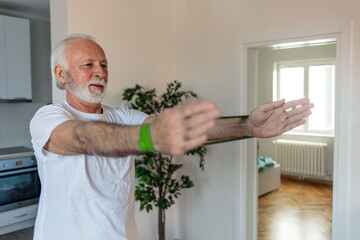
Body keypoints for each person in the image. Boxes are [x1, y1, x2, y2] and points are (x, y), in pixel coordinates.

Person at [30, 34, 313, 240]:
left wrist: (247, 126)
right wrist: (147, 138)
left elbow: (173, 129)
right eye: (88, 65)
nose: (100, 72)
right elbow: (83, 138)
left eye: (104, 65)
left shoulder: (123, 116)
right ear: (61, 74)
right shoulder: (49, 118)